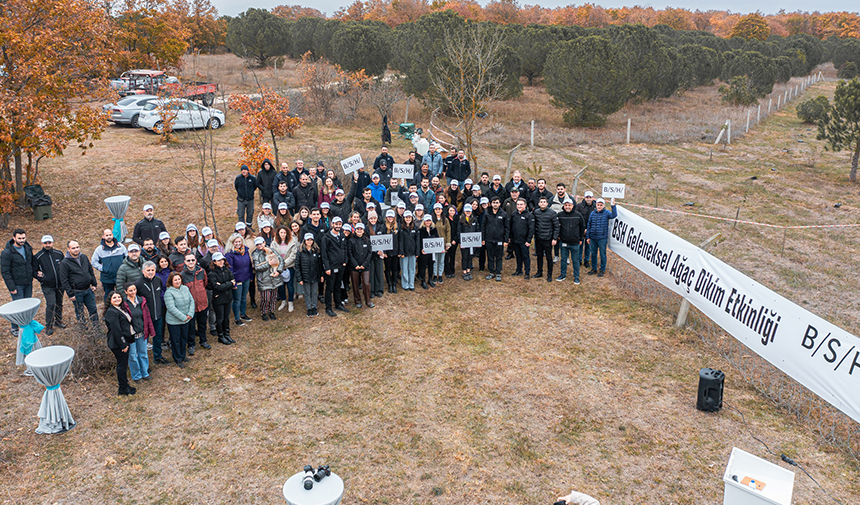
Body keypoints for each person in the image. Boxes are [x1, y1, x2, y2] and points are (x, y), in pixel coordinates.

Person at [1, 228, 34, 336]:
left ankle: (26, 324)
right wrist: (11, 287)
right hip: (16, 284)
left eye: (23, 238)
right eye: (19, 238)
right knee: (18, 306)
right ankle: (14, 327)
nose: (22, 240)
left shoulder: (28, 248)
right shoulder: (7, 252)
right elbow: (5, 271)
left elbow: (31, 263)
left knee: (27, 305)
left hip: (28, 282)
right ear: (14, 238)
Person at [103, 290, 136, 395]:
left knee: (124, 365)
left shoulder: (119, 309)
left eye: (118, 297)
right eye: (114, 298)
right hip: (118, 343)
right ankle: (122, 389)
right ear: (110, 300)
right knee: (121, 366)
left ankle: (125, 385)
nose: (117, 299)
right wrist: (123, 344)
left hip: (124, 341)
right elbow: (116, 330)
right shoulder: (111, 312)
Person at [135, 261, 167, 365]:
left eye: (152, 270)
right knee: (145, 339)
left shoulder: (158, 280)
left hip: (158, 314)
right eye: (148, 270)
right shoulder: (138, 283)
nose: (150, 272)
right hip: (145, 317)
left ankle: (157, 356)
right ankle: (144, 362)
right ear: (143, 271)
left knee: (158, 336)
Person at [33, 235, 66, 336]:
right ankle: (49, 325)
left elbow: (65, 266)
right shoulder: (38, 256)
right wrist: (42, 279)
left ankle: (58, 320)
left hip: (60, 284)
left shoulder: (59, 253)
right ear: (42, 243)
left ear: (52, 243)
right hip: (48, 286)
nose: (47, 245)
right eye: (45, 243)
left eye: (49, 243)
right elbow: (34, 271)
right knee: (51, 304)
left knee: (59, 303)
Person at [59, 240, 99, 323]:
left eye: (77, 247)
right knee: (80, 312)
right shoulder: (64, 263)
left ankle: (96, 328)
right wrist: (70, 294)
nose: (76, 249)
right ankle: (83, 329)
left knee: (93, 309)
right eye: (73, 248)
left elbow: (90, 270)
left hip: (88, 290)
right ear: (68, 249)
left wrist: (94, 283)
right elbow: (64, 280)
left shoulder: (84, 257)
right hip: (77, 292)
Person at [122, 282, 153, 383]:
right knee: (133, 356)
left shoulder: (141, 301)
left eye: (134, 290)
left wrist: (150, 329)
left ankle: (145, 373)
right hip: (130, 335)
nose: (133, 292)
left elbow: (147, 316)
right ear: (125, 292)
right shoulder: (124, 304)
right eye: (130, 290)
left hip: (141, 332)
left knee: (143, 353)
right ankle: (136, 376)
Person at [163, 272, 194, 367]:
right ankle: (178, 358)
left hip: (186, 319)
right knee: (176, 340)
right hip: (174, 322)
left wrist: (190, 314)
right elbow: (171, 308)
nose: (178, 281)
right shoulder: (169, 292)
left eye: (179, 279)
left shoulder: (185, 288)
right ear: (171, 281)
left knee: (184, 338)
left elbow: (191, 301)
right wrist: (183, 317)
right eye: (175, 280)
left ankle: (183, 355)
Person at [252, 236, 284, 321]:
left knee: (273, 297)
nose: (259, 246)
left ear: (264, 243)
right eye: (257, 245)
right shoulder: (255, 254)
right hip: (264, 279)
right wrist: (268, 264)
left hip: (274, 277)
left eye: (261, 244)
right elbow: (257, 267)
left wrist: (279, 271)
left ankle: (272, 311)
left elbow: (280, 260)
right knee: (266, 298)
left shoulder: (271, 250)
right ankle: (264, 312)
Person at [321, 217, 348, 317]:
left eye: (339, 224)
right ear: (332, 224)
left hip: (341, 265)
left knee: (338, 286)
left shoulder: (342, 235)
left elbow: (344, 248)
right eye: (336, 224)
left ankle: (338, 304)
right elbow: (324, 254)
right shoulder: (326, 237)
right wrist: (327, 267)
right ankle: (328, 307)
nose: (338, 226)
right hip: (331, 267)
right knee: (330, 287)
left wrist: (345, 260)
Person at [207, 252, 235, 345]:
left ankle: (227, 334)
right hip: (218, 299)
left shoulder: (227, 270)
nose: (221, 262)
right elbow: (216, 287)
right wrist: (229, 284)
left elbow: (233, 281)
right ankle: (221, 336)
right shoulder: (212, 274)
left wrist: (225, 285)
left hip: (228, 297)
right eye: (219, 260)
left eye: (222, 260)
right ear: (214, 262)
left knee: (226, 317)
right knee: (220, 318)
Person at [91, 229, 127, 302]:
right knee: (108, 295)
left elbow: (127, 258)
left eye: (110, 235)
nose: (109, 237)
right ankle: (108, 311)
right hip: (107, 277)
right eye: (107, 235)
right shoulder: (99, 249)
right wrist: (103, 268)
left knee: (122, 294)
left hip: (120, 276)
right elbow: (94, 262)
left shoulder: (121, 247)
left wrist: (124, 268)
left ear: (112, 235)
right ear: (103, 236)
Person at [225, 233, 253, 327]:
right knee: (237, 299)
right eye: (236, 242)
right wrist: (233, 281)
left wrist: (251, 276)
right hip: (237, 279)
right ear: (232, 242)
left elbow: (249, 264)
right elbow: (230, 269)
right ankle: (237, 318)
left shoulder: (245, 251)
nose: (238, 243)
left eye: (239, 241)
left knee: (244, 297)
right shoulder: (230, 254)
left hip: (246, 277)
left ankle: (243, 314)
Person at [557, 197, 586, 284]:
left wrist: (580, 238)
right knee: (563, 260)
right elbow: (556, 226)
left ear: (572, 206)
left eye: (569, 205)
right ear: (563, 206)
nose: (567, 207)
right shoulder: (560, 215)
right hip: (563, 242)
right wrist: (558, 236)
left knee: (575, 260)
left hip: (575, 242)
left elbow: (582, 227)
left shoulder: (578, 215)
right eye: (566, 205)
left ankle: (576, 277)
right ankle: (563, 275)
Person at [586, 198, 617, 278]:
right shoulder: (592, 213)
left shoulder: (606, 213)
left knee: (602, 254)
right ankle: (594, 268)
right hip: (593, 237)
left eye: (601, 205)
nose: (599, 206)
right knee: (593, 253)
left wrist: (613, 206)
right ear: (596, 205)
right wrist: (588, 237)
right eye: (598, 205)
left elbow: (614, 215)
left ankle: (602, 269)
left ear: (603, 205)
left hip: (602, 238)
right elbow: (589, 225)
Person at [482, 196, 509, 282]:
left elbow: (507, 228)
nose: (495, 204)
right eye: (494, 202)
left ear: (500, 204)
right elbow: (483, 226)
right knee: (490, 256)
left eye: (497, 202)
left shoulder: (504, 214)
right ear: (491, 203)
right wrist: (483, 239)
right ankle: (491, 272)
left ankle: (498, 273)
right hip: (489, 239)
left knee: (499, 256)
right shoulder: (487, 213)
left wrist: (506, 240)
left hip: (499, 239)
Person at [295, 233, 323, 317]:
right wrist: (299, 278)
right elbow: (297, 266)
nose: (309, 241)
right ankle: (309, 308)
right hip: (305, 276)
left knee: (314, 292)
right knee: (307, 293)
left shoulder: (316, 250)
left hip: (315, 275)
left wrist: (321, 275)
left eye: (311, 240)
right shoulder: (300, 252)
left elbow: (319, 264)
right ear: (305, 240)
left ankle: (314, 307)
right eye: (308, 240)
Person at [533, 196, 559, 282]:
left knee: (549, 257)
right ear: (539, 203)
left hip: (548, 239)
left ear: (547, 203)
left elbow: (556, 227)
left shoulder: (552, 213)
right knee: (539, 256)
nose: (543, 203)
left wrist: (554, 238)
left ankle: (549, 274)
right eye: (541, 202)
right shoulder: (535, 212)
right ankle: (539, 272)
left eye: (544, 202)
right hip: (538, 238)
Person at [347, 223, 374, 308]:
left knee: (366, 283)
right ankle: (357, 300)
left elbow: (370, 253)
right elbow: (350, 254)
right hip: (354, 266)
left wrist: (364, 264)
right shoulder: (351, 241)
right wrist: (355, 264)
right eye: (357, 229)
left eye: (361, 229)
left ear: (363, 230)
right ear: (355, 230)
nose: (359, 231)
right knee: (355, 284)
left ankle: (368, 300)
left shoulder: (367, 240)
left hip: (365, 266)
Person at [273, 225, 297, 312]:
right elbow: (273, 254)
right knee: (281, 286)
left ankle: (290, 302)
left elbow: (293, 255)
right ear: (278, 234)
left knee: (290, 286)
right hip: (279, 268)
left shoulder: (292, 241)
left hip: (289, 267)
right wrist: (279, 266)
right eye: (281, 233)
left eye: (284, 232)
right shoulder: (274, 242)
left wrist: (284, 264)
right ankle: (283, 301)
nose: (283, 234)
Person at [510, 198, 534, 279]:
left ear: (525, 205)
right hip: (515, 240)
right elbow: (511, 227)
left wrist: (528, 240)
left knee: (525, 256)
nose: (519, 206)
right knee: (518, 256)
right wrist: (510, 238)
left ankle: (527, 272)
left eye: (521, 204)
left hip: (524, 241)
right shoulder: (513, 214)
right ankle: (519, 270)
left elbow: (531, 229)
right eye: (518, 204)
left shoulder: (529, 215)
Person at [397, 211, 419, 291]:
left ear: (412, 218)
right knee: (404, 269)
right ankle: (405, 284)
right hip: (404, 253)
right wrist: (401, 252)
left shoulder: (415, 228)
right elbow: (400, 241)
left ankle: (411, 283)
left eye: (409, 217)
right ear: (404, 218)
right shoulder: (401, 228)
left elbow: (417, 241)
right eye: (406, 217)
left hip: (412, 252)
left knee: (412, 268)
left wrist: (417, 252)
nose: (408, 219)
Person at [365, 211, 385, 298]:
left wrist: (382, 251)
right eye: (371, 218)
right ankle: (371, 290)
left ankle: (379, 289)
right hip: (370, 254)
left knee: (379, 271)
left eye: (374, 218)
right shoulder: (366, 229)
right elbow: (366, 241)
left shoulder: (381, 227)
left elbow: (385, 240)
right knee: (371, 272)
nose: (373, 220)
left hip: (380, 253)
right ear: (368, 219)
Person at [575, 191, 596, 269]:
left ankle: (586, 260)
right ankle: (579, 260)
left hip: (590, 229)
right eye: (587, 197)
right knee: (580, 244)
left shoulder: (595, 206)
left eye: (590, 197)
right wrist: (582, 228)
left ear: (592, 198)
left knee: (588, 246)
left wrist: (589, 229)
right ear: (584, 198)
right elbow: (577, 217)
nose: (588, 199)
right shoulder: (579, 206)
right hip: (581, 228)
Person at [458, 204, 479, 280]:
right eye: (466, 211)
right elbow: (459, 231)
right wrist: (460, 242)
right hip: (464, 242)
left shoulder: (474, 219)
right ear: (464, 211)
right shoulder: (461, 220)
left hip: (472, 242)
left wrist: (477, 241)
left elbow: (477, 230)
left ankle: (468, 270)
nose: (468, 212)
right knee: (465, 257)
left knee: (470, 256)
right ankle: (464, 271)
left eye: (469, 211)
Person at [417, 215, 439, 289]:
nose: (428, 222)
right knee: (423, 266)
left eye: (429, 220)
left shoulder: (434, 229)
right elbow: (418, 241)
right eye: (426, 221)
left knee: (431, 265)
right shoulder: (420, 230)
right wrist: (421, 249)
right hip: (424, 252)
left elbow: (437, 239)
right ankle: (423, 281)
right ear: (424, 221)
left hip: (432, 252)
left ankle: (430, 279)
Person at [430, 203, 449, 285]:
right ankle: (434, 274)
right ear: (434, 210)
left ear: (442, 210)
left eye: (439, 209)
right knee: (435, 260)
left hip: (443, 243)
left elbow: (448, 231)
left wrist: (448, 242)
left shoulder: (445, 220)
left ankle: (440, 275)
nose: (438, 211)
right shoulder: (431, 220)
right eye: (436, 209)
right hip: (434, 244)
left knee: (441, 260)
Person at [382, 210, 400, 293]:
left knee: (395, 268)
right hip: (387, 252)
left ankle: (394, 283)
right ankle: (389, 284)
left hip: (395, 251)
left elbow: (400, 240)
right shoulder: (383, 227)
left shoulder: (397, 227)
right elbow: (381, 240)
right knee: (388, 268)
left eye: (391, 217)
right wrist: (384, 252)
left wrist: (400, 251)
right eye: (388, 217)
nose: (390, 218)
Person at [235, 164, 257, 230]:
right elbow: (236, 186)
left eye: (245, 170)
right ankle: (241, 228)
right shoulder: (238, 178)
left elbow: (255, 186)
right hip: (241, 200)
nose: (243, 171)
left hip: (250, 199)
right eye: (242, 170)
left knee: (250, 213)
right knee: (241, 214)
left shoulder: (252, 178)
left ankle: (249, 227)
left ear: (248, 170)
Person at [443, 205, 459, 278]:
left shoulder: (457, 219)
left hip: (454, 241)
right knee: (446, 256)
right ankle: (447, 271)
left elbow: (458, 230)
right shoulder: (445, 219)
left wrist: (455, 240)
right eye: (450, 210)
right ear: (448, 211)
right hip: (447, 240)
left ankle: (452, 270)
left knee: (452, 256)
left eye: (453, 210)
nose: (452, 212)